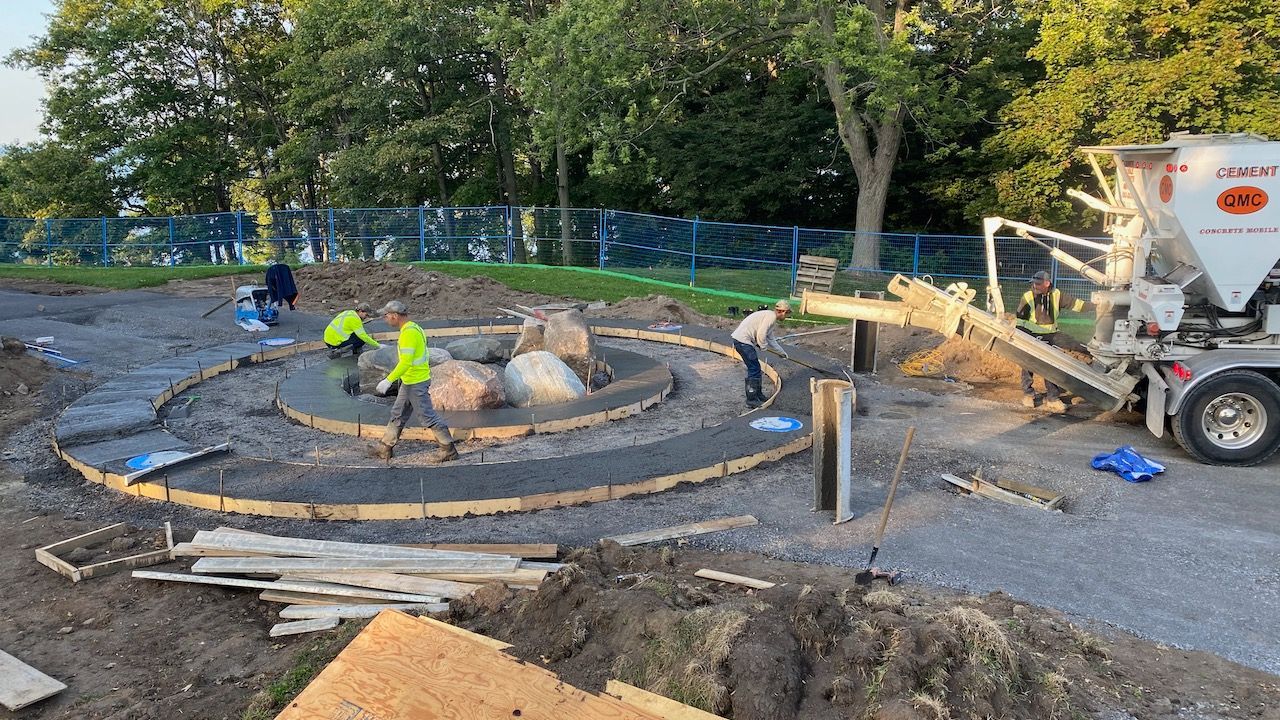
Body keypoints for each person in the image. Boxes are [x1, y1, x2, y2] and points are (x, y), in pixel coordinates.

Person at [367, 300, 457, 462]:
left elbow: (406, 362)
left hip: (416, 382)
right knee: (398, 413)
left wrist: (388, 380)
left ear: (395, 316)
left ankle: (448, 449)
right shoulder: (414, 328)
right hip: (411, 380)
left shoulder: (409, 333)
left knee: (427, 416)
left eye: (386, 316)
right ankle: (385, 447)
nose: (385, 319)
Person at [1015, 271, 1093, 413]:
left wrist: (1095, 306)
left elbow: (1077, 305)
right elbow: (1020, 319)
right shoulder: (1028, 296)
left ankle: (1052, 398)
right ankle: (1028, 394)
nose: (1035, 286)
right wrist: (1022, 336)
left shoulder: (1057, 295)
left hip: (1050, 335)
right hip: (1031, 334)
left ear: (1047, 283)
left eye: (1038, 284)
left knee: (1051, 365)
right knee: (1027, 364)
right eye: (1034, 283)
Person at [730, 299, 791, 408]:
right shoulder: (770, 317)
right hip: (743, 341)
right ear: (783, 311)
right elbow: (761, 334)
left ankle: (758, 395)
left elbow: (771, 339)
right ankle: (751, 399)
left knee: (756, 368)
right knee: (754, 368)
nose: (786, 317)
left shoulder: (770, 318)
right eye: (787, 313)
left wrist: (781, 352)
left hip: (743, 341)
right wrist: (763, 346)